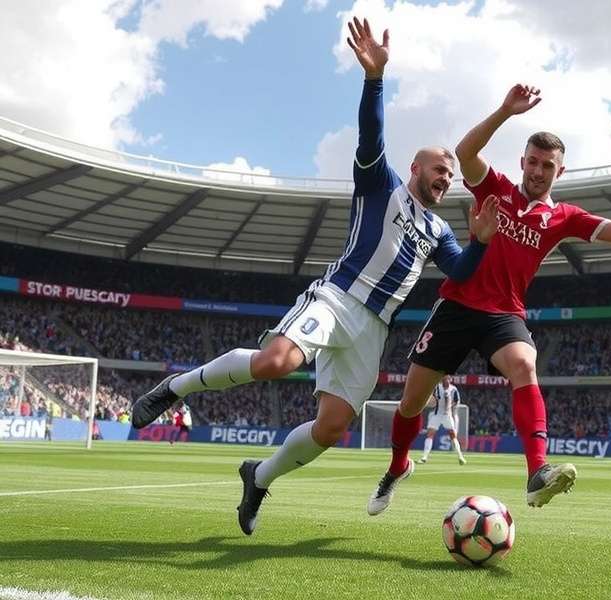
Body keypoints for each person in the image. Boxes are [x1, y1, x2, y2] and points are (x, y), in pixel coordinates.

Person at [130, 16, 498, 536]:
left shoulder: (439, 229)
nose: (447, 179)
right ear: (416, 168)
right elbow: (371, 132)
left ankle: (259, 476)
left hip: (374, 329)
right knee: (275, 362)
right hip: (338, 298)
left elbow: (460, 271)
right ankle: (177, 387)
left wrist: (480, 242)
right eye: (440, 169)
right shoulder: (382, 184)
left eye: (451, 176)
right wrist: (374, 79)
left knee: (331, 428)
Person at [367, 83, 611, 515]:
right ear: (522, 162)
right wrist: (504, 111)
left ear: (559, 172)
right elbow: (465, 152)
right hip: (457, 305)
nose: (537, 170)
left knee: (525, 364)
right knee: (412, 402)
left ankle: (537, 472)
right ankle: (397, 466)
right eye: (532, 161)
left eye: (547, 165)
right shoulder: (495, 187)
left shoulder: (564, 217)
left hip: (504, 313)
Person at [417, 375, 466, 465]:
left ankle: (460, 456)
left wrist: (450, 408)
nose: (444, 381)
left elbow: (456, 401)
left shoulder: (453, 389)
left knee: (453, 435)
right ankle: (424, 457)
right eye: (443, 379)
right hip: (437, 414)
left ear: (449, 380)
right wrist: (428, 403)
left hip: (447, 415)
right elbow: (433, 399)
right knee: (430, 434)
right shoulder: (437, 387)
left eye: (446, 379)